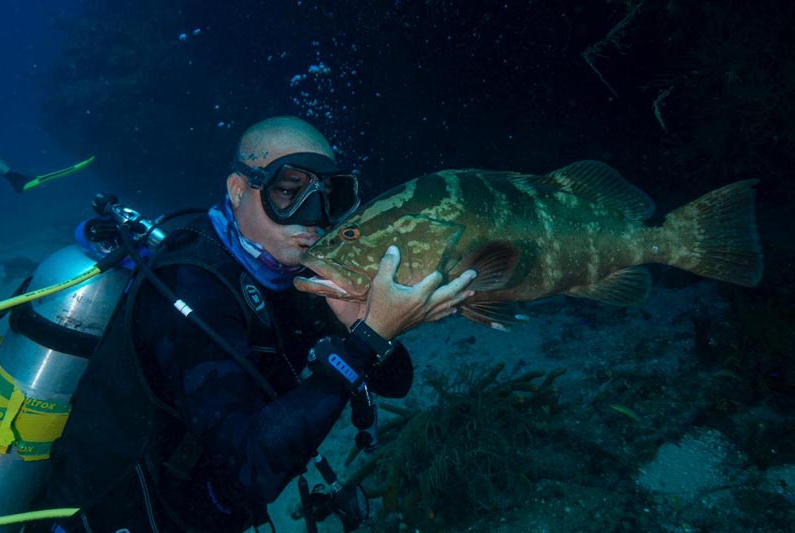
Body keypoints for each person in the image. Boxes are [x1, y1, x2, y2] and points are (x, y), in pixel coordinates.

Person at [27, 116, 476, 532]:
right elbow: (248, 472)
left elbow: (396, 382)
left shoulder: (296, 273)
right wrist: (364, 342)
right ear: (239, 189)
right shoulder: (191, 288)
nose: (313, 216)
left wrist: (367, 329)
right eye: (288, 190)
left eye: (330, 196)